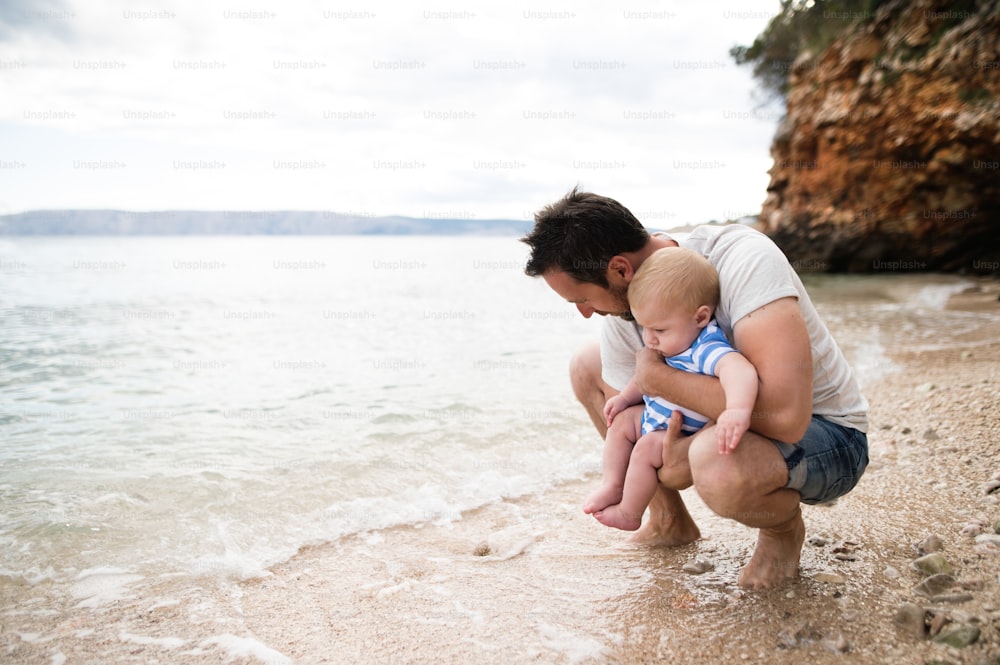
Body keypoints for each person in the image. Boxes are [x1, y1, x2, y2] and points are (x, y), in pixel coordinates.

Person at [521, 187, 869, 589]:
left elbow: (787, 418)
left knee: (714, 462)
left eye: (582, 299)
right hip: (720, 426)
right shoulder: (626, 308)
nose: (586, 313)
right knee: (586, 364)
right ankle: (668, 520)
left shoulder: (741, 260)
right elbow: (636, 416)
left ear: (620, 269)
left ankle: (781, 533)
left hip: (829, 438)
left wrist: (661, 383)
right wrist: (654, 446)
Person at [584, 247, 759, 532]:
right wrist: (626, 399)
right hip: (654, 416)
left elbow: (739, 370)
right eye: (644, 328)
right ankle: (612, 485)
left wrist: (737, 410)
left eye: (659, 330)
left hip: (678, 432)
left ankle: (630, 511)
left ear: (700, 318)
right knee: (620, 426)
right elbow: (644, 378)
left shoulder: (705, 347)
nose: (650, 338)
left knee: (644, 450)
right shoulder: (672, 338)